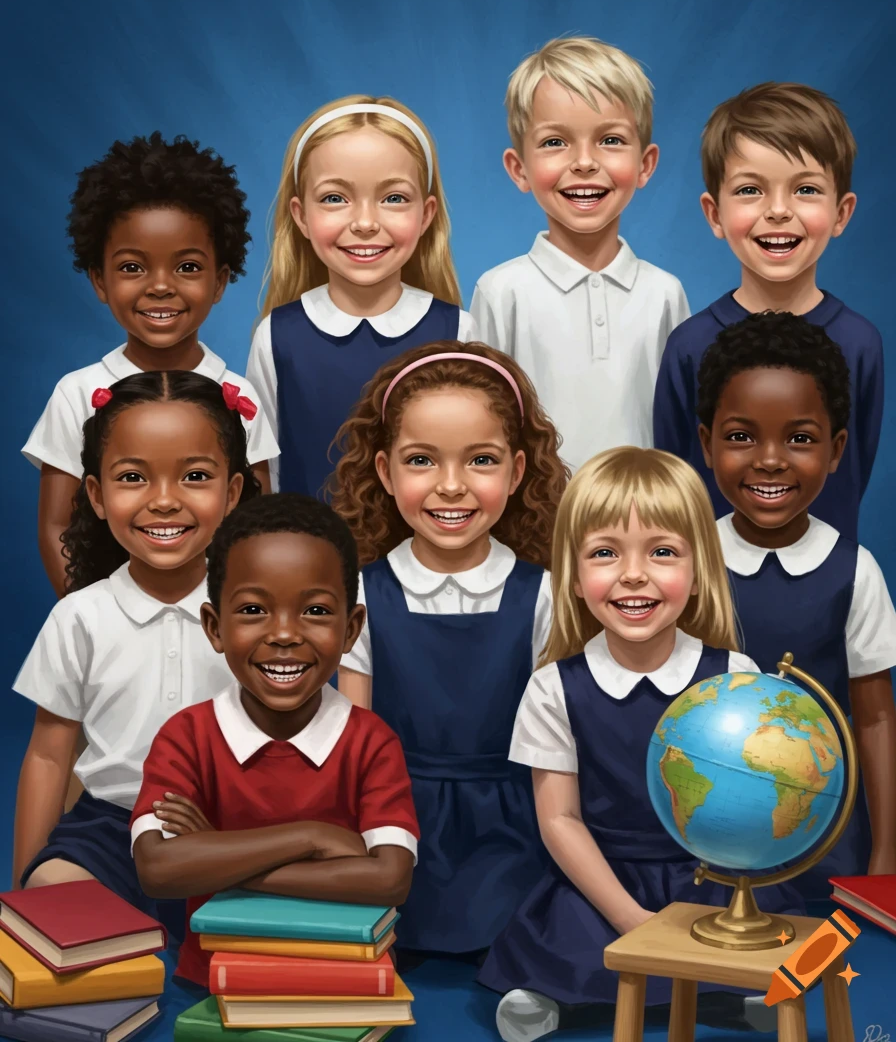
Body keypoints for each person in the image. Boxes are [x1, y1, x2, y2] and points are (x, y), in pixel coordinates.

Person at [478, 447, 803, 1041]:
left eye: (662, 552)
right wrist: (629, 917)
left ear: (700, 569)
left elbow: (757, 796)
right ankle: (561, 998)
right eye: (605, 553)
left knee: (761, 941)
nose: (633, 574)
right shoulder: (554, 688)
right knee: (572, 944)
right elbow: (561, 821)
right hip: (603, 878)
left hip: (711, 873)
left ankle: (730, 997)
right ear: (573, 577)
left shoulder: (735, 673)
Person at [334, 342, 568, 955]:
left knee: (540, 934)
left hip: (514, 826)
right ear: (385, 473)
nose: (452, 487)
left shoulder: (542, 595)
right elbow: (354, 740)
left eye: (481, 461)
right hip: (395, 822)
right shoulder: (363, 592)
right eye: (422, 461)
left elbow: (558, 745)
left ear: (517, 472)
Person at [131, 494, 419, 990]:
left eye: (314, 610)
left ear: (350, 629)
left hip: (343, 985)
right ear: (214, 627)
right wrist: (311, 838)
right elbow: (158, 869)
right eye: (252, 610)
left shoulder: (372, 743)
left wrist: (217, 857)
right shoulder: (185, 738)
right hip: (215, 986)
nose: (284, 634)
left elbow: (389, 880)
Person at [13, 372, 260, 944]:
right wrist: (23, 890)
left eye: (195, 476)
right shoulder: (81, 616)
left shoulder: (260, 612)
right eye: (132, 478)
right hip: (111, 831)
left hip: (233, 831)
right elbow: (49, 758)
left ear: (234, 493)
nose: (165, 499)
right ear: (96, 496)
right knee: (52, 895)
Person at [23, 132, 277, 597]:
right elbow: (57, 525)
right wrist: (92, 621)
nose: (160, 287)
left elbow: (256, 525)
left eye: (187, 268)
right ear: (99, 279)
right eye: (132, 267)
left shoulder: (238, 394)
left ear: (220, 281)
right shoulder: (77, 393)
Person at [697, 311, 896, 893]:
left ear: (836, 450)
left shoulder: (853, 571)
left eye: (800, 439)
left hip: (822, 835)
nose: (770, 459)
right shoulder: (684, 563)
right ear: (706, 444)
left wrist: (884, 857)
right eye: (740, 436)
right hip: (705, 831)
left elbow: (876, 717)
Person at [653, 83, 882, 540]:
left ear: (842, 213)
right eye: (751, 190)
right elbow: (675, 478)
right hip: (710, 582)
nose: (778, 211)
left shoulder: (861, 343)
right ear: (714, 214)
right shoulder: (689, 345)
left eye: (806, 189)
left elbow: (851, 472)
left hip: (825, 582)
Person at [470, 36, 689, 474]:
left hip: (642, 527)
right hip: (534, 528)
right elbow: (480, 423)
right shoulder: (501, 292)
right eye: (555, 142)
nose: (584, 162)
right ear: (520, 169)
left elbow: (682, 425)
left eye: (610, 139)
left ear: (645, 165)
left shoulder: (665, 293)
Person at [246, 96, 476, 497]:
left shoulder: (458, 332)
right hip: (308, 557)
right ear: (301, 215)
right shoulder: (278, 337)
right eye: (335, 198)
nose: (366, 223)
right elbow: (262, 473)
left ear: (426, 213)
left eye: (394, 198)